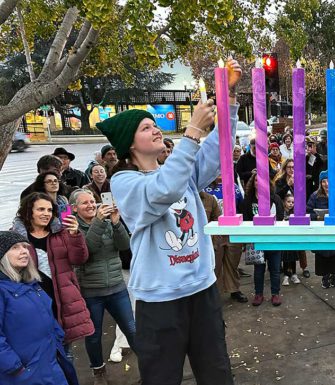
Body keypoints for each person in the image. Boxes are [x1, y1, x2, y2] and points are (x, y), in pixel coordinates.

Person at [96, 58, 242, 385]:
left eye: (154, 124)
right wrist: (191, 133)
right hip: (159, 303)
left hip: (202, 291)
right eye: (146, 127)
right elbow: (163, 191)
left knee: (217, 374)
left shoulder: (177, 169)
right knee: (161, 378)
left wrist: (229, 99)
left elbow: (218, 151)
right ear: (130, 145)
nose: (155, 128)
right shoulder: (123, 181)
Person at [11, 192, 94, 358]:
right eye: (40, 209)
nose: (46, 213)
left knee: (67, 352)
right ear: (29, 211)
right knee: (44, 353)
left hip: (62, 300)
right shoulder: (16, 237)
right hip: (35, 303)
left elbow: (79, 259)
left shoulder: (61, 232)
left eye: (49, 210)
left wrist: (74, 235)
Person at [71, 189, 137, 383]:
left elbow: (125, 245)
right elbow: (86, 252)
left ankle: (150, 365)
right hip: (92, 291)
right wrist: (99, 221)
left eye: (93, 201)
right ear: (75, 208)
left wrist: (116, 222)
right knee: (93, 335)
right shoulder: (74, 229)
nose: (91, 205)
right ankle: (98, 372)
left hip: (117, 287)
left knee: (132, 330)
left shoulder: (108, 222)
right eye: (85, 203)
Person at [0, 231, 79, 385]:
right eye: (15, 248)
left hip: (51, 363)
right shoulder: (3, 291)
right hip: (25, 374)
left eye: (25, 246)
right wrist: (14, 367)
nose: (24, 251)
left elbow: (47, 314)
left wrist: (58, 335)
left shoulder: (31, 284)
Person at [239, 170, 284, 307]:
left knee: (275, 269)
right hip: (256, 240)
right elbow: (245, 219)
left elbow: (281, 216)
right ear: (253, 183)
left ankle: (275, 294)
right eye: (256, 180)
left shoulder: (275, 198)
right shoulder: (248, 200)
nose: (259, 182)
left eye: (262, 179)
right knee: (259, 269)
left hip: (273, 239)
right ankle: (259, 294)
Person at [198, 186, 248, 303]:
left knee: (232, 263)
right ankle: (214, 294)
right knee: (215, 266)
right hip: (208, 239)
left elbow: (241, 206)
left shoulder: (232, 189)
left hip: (229, 230)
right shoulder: (199, 194)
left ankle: (234, 289)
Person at [279, 193, 302, 286]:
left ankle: (294, 274)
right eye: (288, 202)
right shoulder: (281, 212)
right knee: (286, 257)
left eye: (293, 202)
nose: (291, 204)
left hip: (293, 237)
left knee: (293, 256)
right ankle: (286, 275)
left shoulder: (295, 212)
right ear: (284, 202)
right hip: (284, 237)